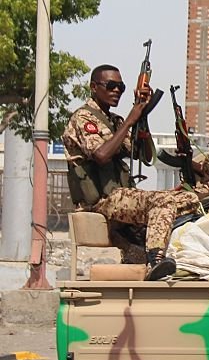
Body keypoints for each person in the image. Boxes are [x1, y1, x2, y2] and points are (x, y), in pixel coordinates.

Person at [63, 64, 201, 280]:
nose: (116, 91)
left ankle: (146, 252)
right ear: (93, 87)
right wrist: (130, 120)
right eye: (110, 86)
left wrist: (142, 117)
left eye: (121, 87)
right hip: (102, 200)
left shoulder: (115, 121)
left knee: (190, 199)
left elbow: (144, 156)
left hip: (122, 197)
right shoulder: (83, 118)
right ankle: (155, 258)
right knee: (162, 201)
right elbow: (100, 155)